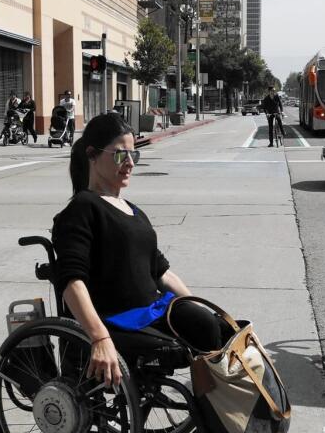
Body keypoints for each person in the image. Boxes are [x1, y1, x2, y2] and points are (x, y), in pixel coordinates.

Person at [51, 113, 221, 387]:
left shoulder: (133, 211)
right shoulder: (83, 208)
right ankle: (214, 420)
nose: (129, 163)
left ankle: (219, 413)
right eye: (120, 155)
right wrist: (99, 337)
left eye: (134, 155)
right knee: (196, 335)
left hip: (149, 311)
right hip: (117, 319)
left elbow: (162, 272)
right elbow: (71, 281)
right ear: (92, 155)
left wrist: (199, 306)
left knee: (217, 326)